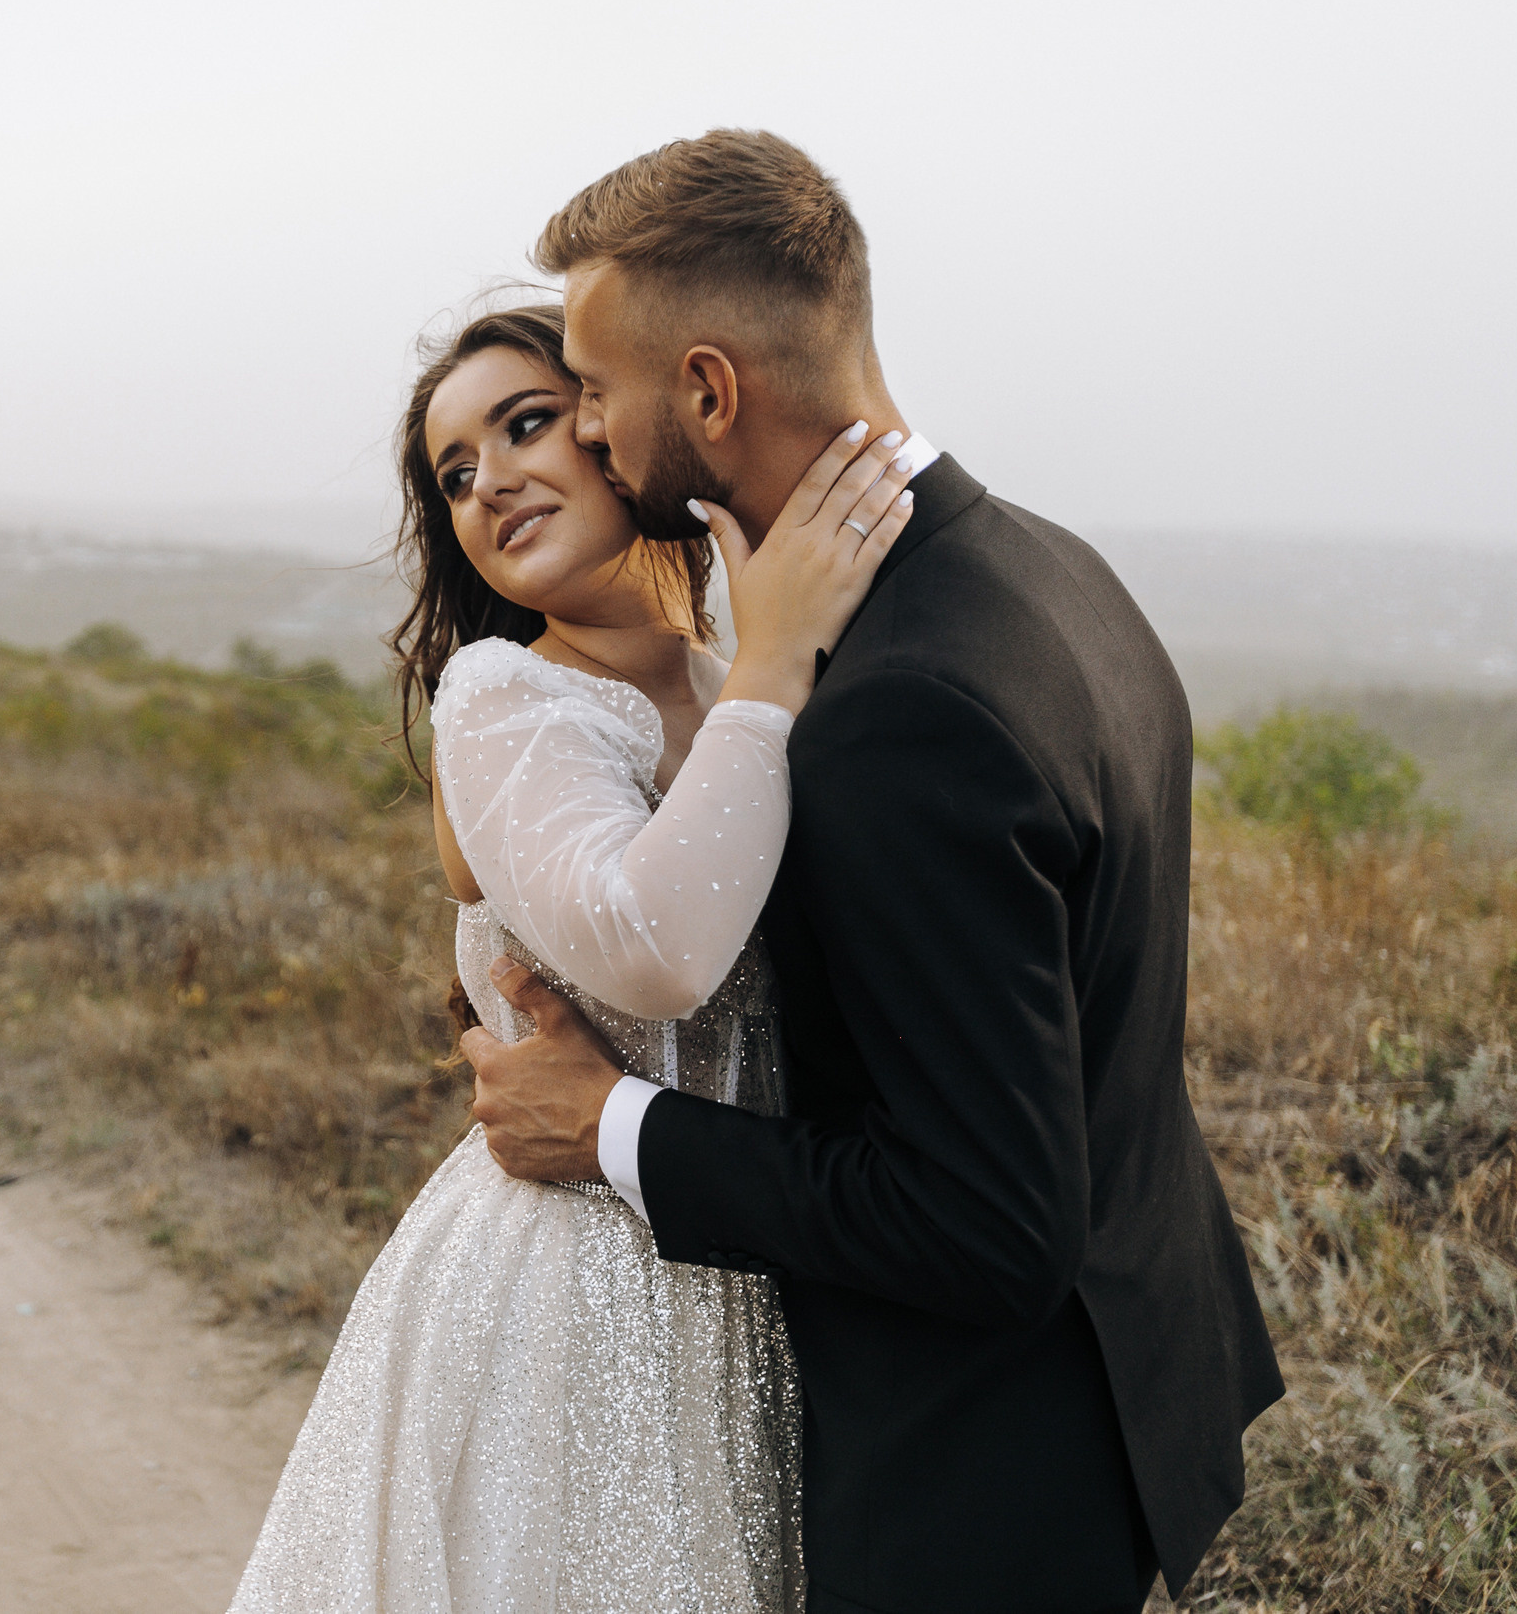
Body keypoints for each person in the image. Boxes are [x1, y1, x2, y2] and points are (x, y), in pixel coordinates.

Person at [460, 129, 1284, 1614]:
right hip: (1122, 1385)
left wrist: (614, 1125)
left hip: (975, 1476)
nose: (581, 430)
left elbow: (986, 1223)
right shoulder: (1049, 566)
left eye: (590, 390)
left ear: (708, 389)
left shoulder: (903, 710)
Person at [227, 301, 914, 1612]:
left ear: (618, 431)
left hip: (742, 1273)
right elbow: (654, 955)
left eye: (527, 423)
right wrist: (778, 662)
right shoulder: (507, 697)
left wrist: (763, 668)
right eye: (456, 475)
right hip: (568, 1298)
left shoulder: (733, 689)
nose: (489, 483)